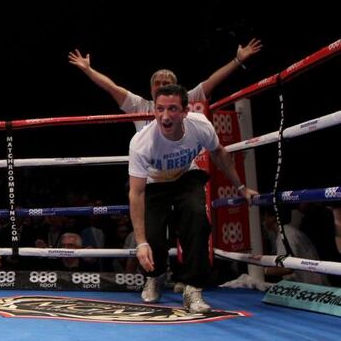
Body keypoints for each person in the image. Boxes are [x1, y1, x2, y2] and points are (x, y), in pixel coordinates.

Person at [128, 84, 258, 313]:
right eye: (160, 109)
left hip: (187, 176)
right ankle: (154, 276)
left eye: (172, 109)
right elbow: (136, 192)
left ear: (185, 111)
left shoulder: (200, 125)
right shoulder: (142, 142)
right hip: (154, 183)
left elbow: (219, 153)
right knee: (153, 236)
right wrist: (141, 242)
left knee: (197, 219)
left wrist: (241, 187)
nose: (165, 116)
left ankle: (193, 287)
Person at [68, 38, 262, 131]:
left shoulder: (186, 100)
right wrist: (88, 70)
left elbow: (211, 82)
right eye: (158, 83)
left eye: (166, 83)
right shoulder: (140, 106)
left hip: (180, 169)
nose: (162, 86)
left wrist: (237, 61)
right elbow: (111, 87)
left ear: (176, 87)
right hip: (151, 172)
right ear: (151, 88)